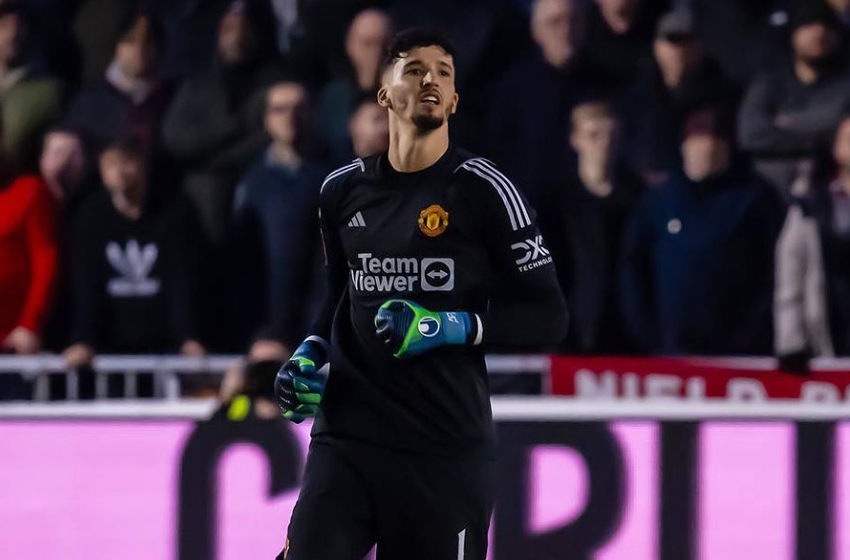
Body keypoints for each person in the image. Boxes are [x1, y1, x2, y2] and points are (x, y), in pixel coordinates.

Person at [273, 29, 567, 560]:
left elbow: (549, 316)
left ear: (454, 101)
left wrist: (450, 326)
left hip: (444, 448)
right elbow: (340, 295)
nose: (430, 79)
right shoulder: (340, 191)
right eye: (414, 69)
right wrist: (309, 352)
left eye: (443, 73)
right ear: (384, 94)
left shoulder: (485, 189)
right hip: (348, 440)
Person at [621, 108, 782, 355]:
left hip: (739, 350)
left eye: (715, 148)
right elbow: (633, 267)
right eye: (698, 146)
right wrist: (647, 333)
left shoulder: (755, 198)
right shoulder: (658, 201)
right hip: (668, 348)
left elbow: (774, 268)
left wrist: (752, 333)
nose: (706, 154)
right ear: (684, 147)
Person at [63, 139, 206, 370]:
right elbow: (86, 283)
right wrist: (82, 339)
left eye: (127, 162)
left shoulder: (175, 213)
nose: (120, 172)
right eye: (112, 164)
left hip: (164, 346)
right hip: (110, 348)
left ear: (143, 164)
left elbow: (182, 279)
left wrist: (188, 336)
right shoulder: (90, 217)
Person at [230, 80, 328, 351]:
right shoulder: (250, 181)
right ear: (266, 119)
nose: (290, 118)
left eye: (299, 108)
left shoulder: (332, 175)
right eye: (280, 109)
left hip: (318, 322)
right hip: (265, 327)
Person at [540, 102, 642, 354]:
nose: (604, 144)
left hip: (629, 336)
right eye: (594, 135)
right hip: (574, 335)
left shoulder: (639, 201)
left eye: (611, 135)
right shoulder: (555, 205)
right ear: (576, 140)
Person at [738, 2, 850, 198]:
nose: (819, 33)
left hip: (828, 190)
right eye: (808, 25)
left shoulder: (845, 84)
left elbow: (843, 135)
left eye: (827, 27)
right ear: (793, 34)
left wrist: (787, 124)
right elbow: (751, 135)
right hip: (769, 191)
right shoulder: (770, 82)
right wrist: (822, 134)